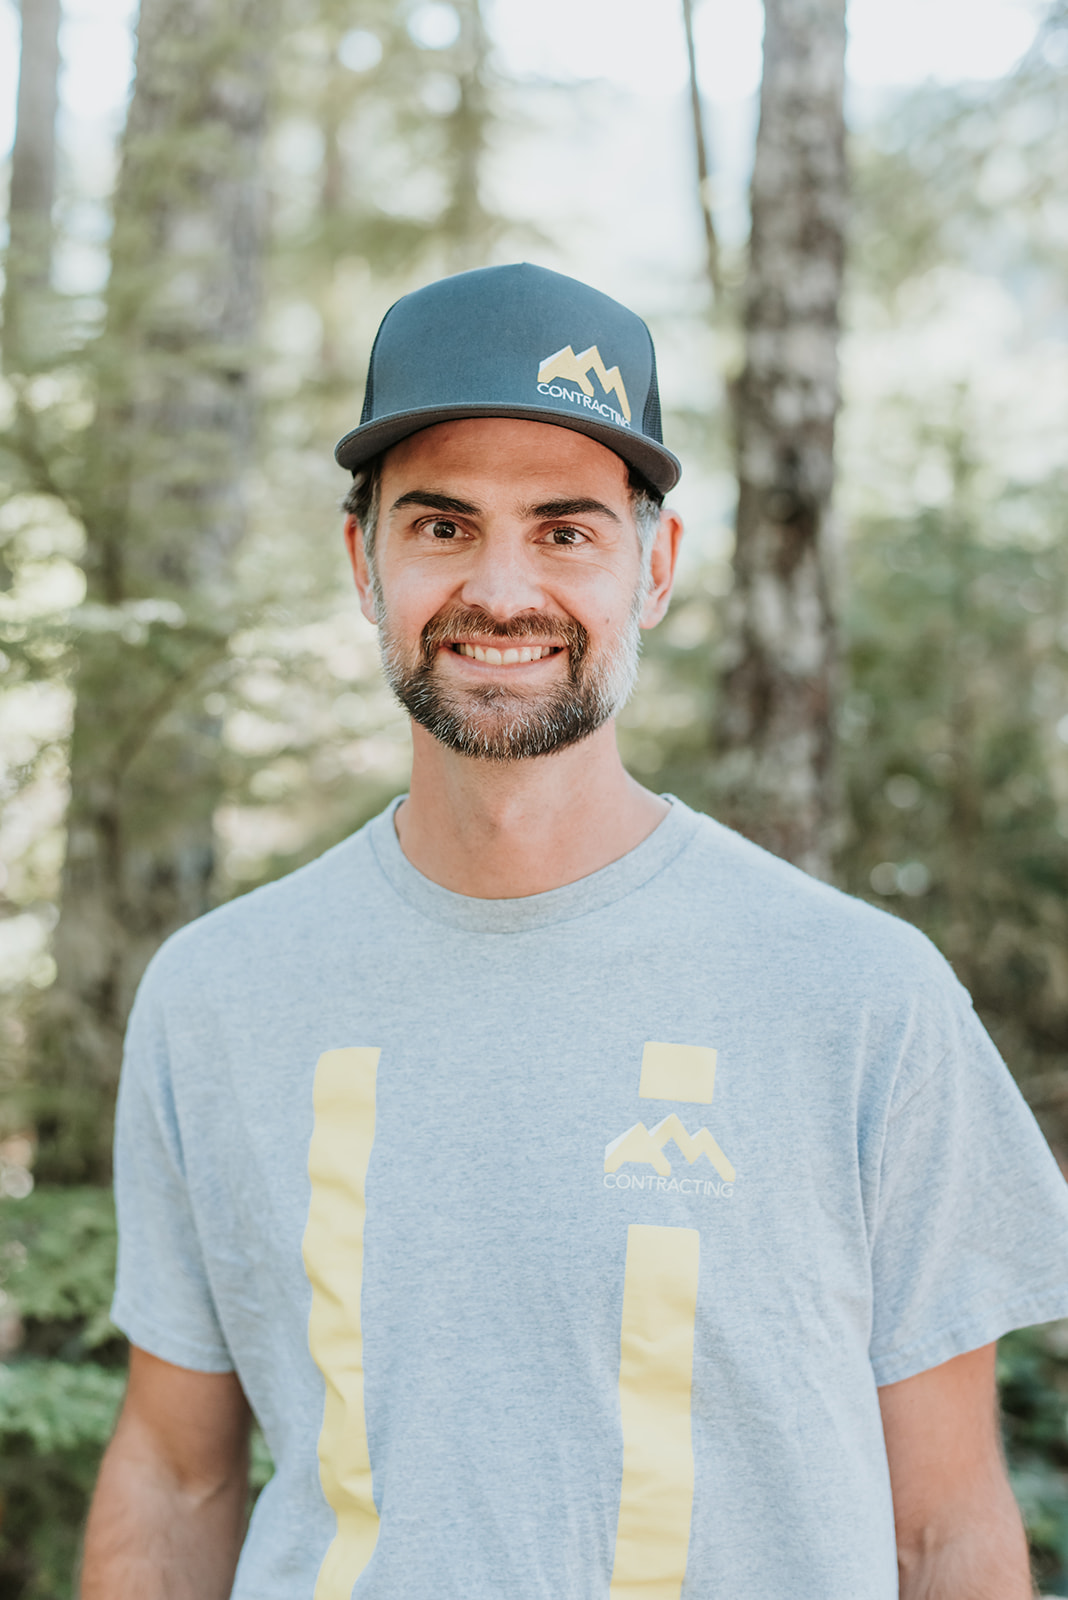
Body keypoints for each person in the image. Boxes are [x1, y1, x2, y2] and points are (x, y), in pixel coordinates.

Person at [82, 263, 1068, 1600]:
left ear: (653, 567)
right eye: (442, 525)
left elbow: (940, 1527)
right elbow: (174, 1475)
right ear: (363, 561)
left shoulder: (863, 997)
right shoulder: (218, 993)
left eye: (564, 530)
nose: (501, 591)